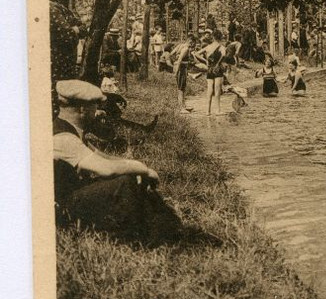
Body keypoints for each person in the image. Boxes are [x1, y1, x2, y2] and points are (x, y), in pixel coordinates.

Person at [53, 80, 181, 245]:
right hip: (64, 210)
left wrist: (137, 168)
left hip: (74, 197)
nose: (98, 112)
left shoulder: (71, 131)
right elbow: (107, 169)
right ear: (82, 109)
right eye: (95, 106)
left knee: (130, 177)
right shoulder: (63, 137)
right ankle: (140, 239)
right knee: (124, 183)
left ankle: (170, 231)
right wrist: (142, 169)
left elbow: (104, 157)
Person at [199, 29, 227, 116]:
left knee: (209, 89)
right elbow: (224, 55)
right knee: (217, 90)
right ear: (220, 37)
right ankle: (217, 110)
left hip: (210, 69)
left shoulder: (208, 47)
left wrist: (205, 61)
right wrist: (219, 63)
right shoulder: (221, 47)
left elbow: (196, 53)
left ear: (213, 37)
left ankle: (208, 111)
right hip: (217, 69)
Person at [172, 34, 197, 112]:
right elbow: (179, 59)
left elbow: (172, 53)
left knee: (183, 87)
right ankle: (181, 108)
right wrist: (176, 71)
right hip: (181, 68)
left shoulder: (180, 45)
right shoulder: (186, 49)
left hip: (181, 67)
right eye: (193, 43)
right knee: (181, 89)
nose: (193, 46)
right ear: (190, 41)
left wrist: (174, 62)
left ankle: (183, 105)